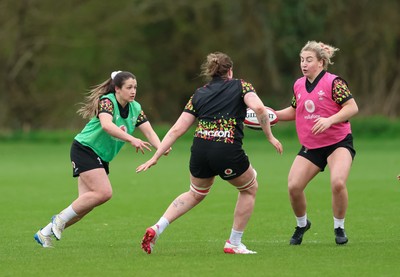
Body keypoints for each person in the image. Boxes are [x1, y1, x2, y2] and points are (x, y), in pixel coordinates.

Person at [136, 52, 283, 254]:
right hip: (226, 149)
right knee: (249, 189)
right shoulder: (242, 86)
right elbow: (259, 107)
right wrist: (269, 136)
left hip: (200, 150)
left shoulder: (198, 94)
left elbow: (177, 129)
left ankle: (157, 227)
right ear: (230, 71)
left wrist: (155, 156)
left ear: (211, 73)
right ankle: (234, 243)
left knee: (196, 193)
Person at [34, 70, 169, 248]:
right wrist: (131, 139)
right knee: (104, 193)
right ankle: (58, 219)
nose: (133, 91)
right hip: (85, 149)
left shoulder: (135, 108)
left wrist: (162, 147)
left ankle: (44, 233)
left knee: (83, 207)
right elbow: (106, 125)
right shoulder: (107, 101)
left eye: (135, 87)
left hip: (100, 156)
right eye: (129, 87)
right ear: (117, 89)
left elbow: (150, 132)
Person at [275, 41, 359, 245]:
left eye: (309, 60)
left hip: (337, 142)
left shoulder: (334, 83)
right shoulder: (298, 84)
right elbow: (295, 111)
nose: (304, 64)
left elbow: (352, 107)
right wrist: (272, 115)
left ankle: (339, 227)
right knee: (294, 186)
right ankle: (302, 224)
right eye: (302, 60)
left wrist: (330, 120)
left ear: (321, 62)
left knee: (338, 182)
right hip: (312, 145)